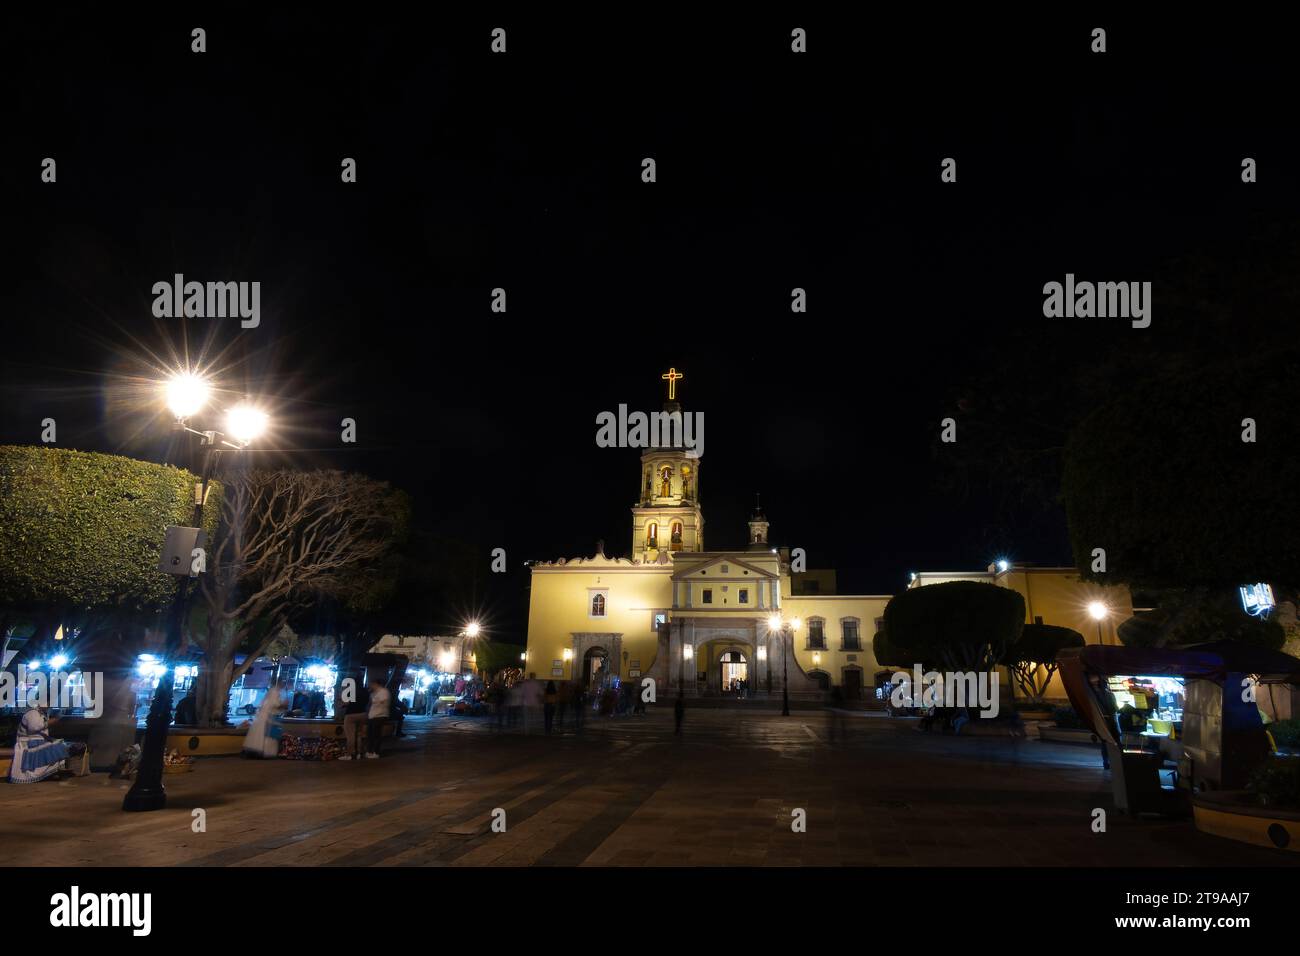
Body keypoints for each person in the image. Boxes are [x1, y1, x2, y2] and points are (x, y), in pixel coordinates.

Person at [7, 707, 73, 783]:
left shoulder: (41, 713)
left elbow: (43, 732)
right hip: (27, 743)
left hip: (37, 742)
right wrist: (55, 720)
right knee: (58, 746)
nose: (49, 707)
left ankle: (54, 772)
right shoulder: (32, 712)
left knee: (61, 744)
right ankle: (53, 773)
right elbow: (34, 728)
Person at [243, 680, 287, 759]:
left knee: (261, 733)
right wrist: (283, 704)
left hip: (264, 715)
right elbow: (274, 705)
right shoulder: (274, 692)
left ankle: (259, 751)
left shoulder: (273, 691)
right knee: (266, 734)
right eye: (283, 683)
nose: (284, 685)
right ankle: (264, 751)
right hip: (267, 716)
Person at [366, 678, 390, 758]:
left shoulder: (384, 691)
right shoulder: (373, 692)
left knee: (376, 734)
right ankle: (370, 751)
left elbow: (384, 703)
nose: (370, 685)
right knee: (370, 734)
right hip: (372, 715)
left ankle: (376, 752)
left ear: (376, 684)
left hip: (380, 715)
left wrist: (377, 702)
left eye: (372, 684)